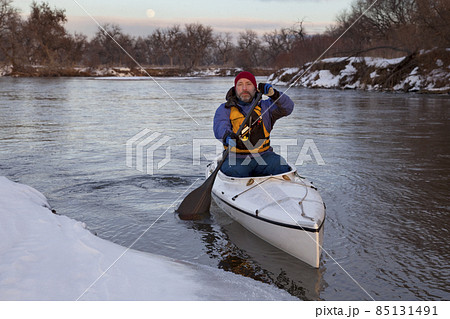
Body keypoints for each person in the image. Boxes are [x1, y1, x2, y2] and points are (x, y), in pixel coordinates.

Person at [213, 71, 294, 177]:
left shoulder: (266, 107)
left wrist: (274, 94)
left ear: (255, 88)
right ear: (235, 88)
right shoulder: (225, 109)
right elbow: (220, 126)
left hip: (264, 156)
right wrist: (227, 136)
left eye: (248, 84)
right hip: (236, 158)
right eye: (240, 84)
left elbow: (288, 108)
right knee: (234, 172)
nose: (244, 88)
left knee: (282, 167)